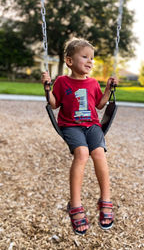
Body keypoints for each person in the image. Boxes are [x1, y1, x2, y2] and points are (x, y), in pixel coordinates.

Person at [41, 38, 117, 235]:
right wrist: (47, 88)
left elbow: (100, 105)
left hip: (92, 125)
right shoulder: (62, 81)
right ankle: (75, 204)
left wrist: (108, 90)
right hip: (71, 126)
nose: (90, 61)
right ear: (69, 61)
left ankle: (105, 199)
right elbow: (54, 104)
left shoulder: (92, 83)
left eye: (92, 58)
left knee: (99, 153)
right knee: (82, 153)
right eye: (84, 56)